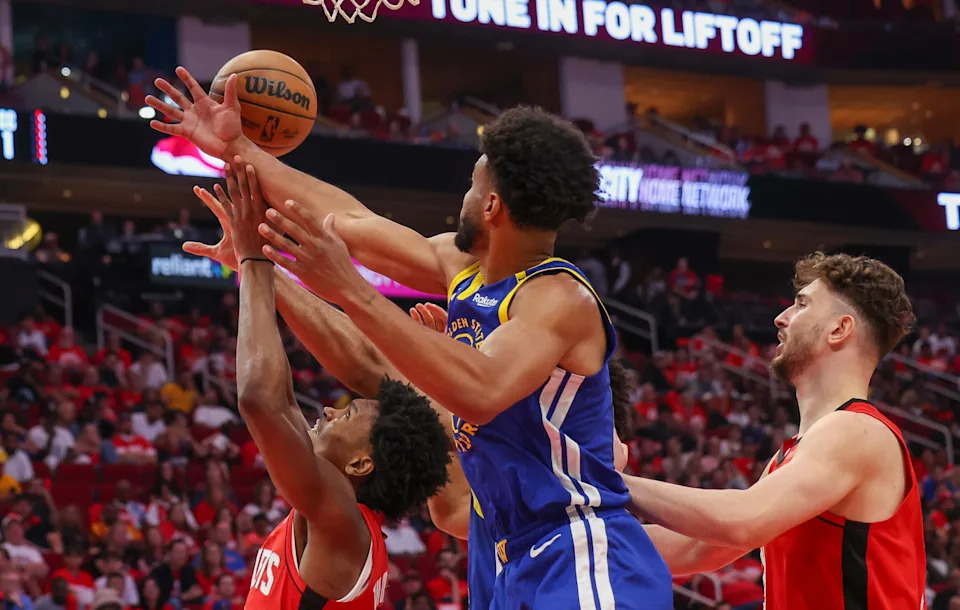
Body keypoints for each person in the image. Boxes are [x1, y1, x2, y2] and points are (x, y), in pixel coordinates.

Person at [148, 69, 671, 608]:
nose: (464, 196)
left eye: (473, 184)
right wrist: (234, 148)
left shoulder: (558, 297)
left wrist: (351, 290)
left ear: (492, 207)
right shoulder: (461, 266)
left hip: (573, 542)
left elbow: (481, 391)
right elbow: (346, 218)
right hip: (504, 547)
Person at [623, 252, 926, 609]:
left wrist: (605, 480)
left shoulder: (858, 430)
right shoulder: (795, 453)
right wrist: (580, 536)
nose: (780, 318)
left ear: (839, 329)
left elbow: (743, 521)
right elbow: (696, 548)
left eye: (801, 305)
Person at [213, 163, 450, 609]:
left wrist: (254, 259)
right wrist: (252, 266)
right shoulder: (344, 520)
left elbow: (261, 398)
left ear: (363, 463)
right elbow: (279, 400)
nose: (328, 411)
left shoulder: (339, 519)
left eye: (349, 413)